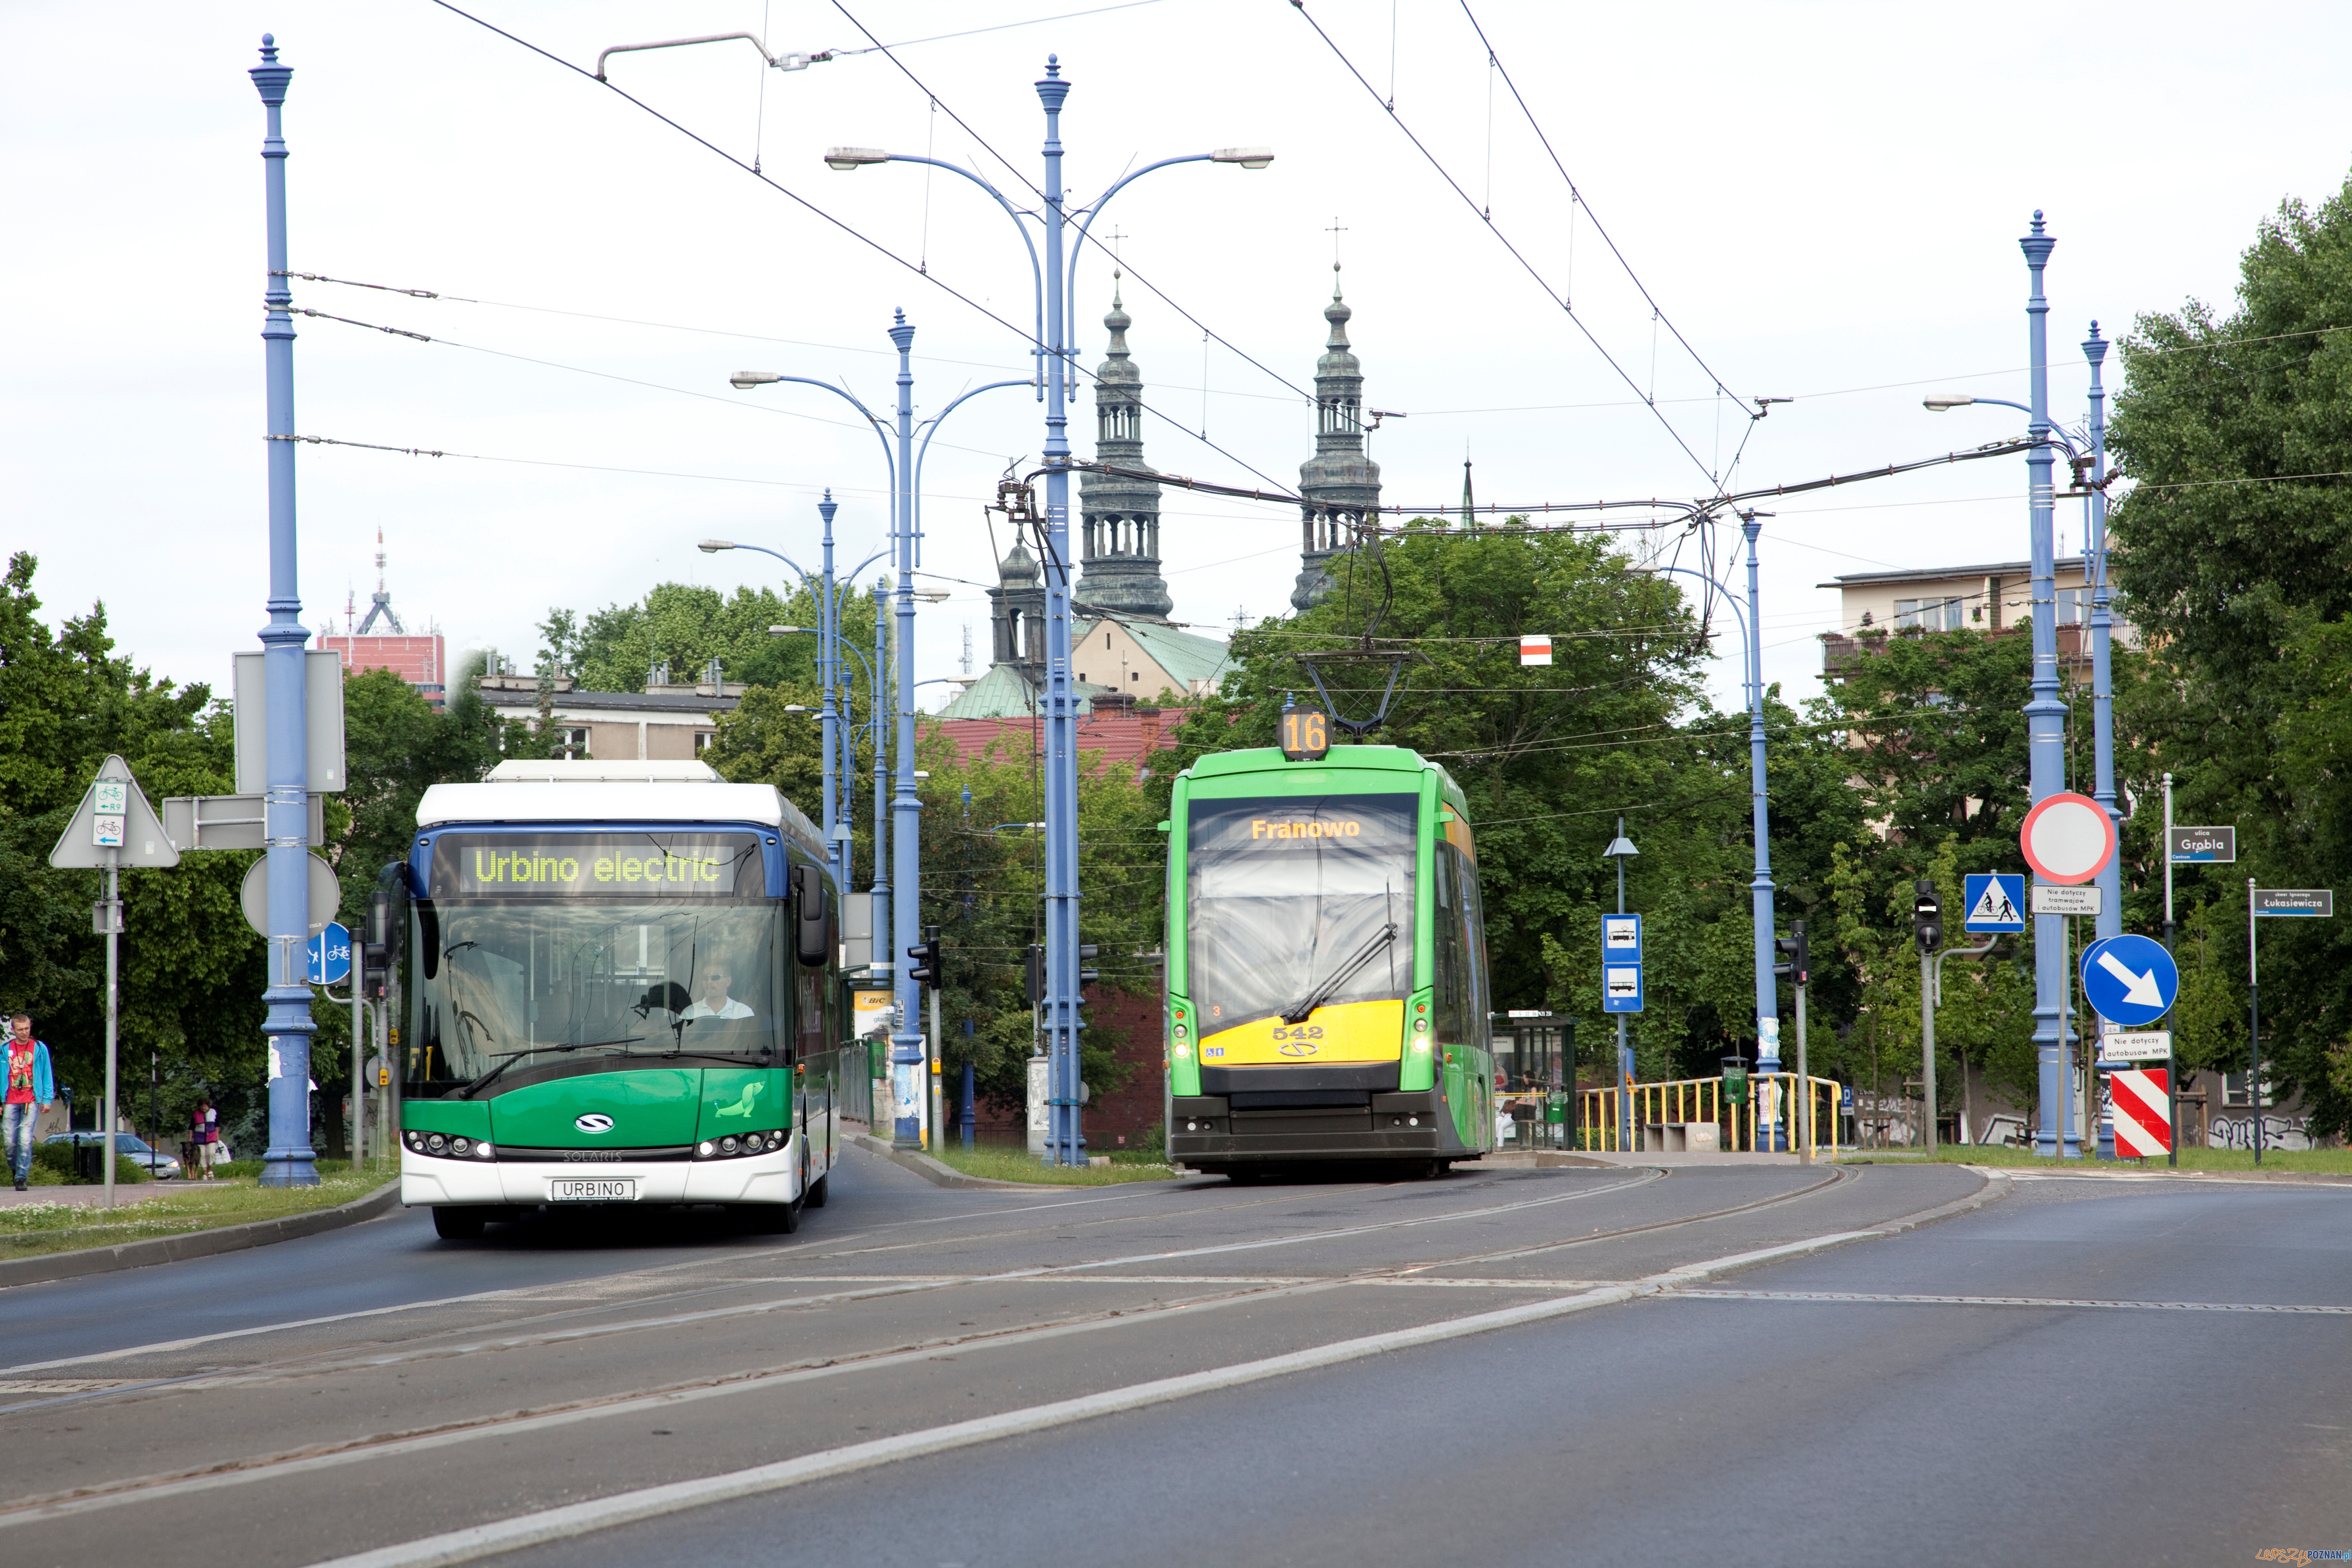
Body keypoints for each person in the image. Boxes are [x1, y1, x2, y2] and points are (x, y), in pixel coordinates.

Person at [5, 1014, 56, 1191]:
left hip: (31, 1100)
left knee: (25, 1140)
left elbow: (46, 1074)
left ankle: (21, 1177)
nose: (24, 1032)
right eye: (20, 1029)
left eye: (27, 1028)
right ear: (13, 1030)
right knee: (10, 1143)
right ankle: (14, 1168)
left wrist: (47, 1099)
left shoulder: (39, 1049)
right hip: (10, 1100)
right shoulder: (5, 1050)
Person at [680, 962, 754, 1021]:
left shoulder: (743, 1012)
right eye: (705, 978)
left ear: (728, 981)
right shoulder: (689, 1013)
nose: (709, 982)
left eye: (715, 977)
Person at [192, 1097, 222, 1179]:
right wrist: (190, 1139)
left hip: (211, 1136)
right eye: (201, 1106)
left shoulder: (213, 1112)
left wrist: (217, 1137)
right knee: (202, 1154)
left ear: (208, 1106)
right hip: (199, 1137)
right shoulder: (196, 1113)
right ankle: (204, 1173)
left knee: (211, 1153)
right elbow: (192, 1127)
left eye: (205, 1106)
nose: (203, 1108)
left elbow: (217, 1126)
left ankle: (210, 1169)